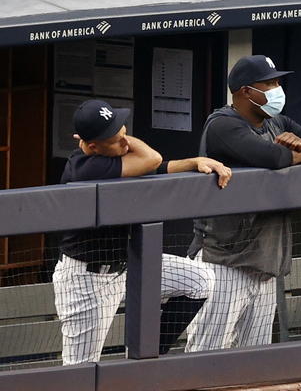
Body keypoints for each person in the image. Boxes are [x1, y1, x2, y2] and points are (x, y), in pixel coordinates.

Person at [52, 99, 232, 365]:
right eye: (117, 139)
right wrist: (123, 137)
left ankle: (147, 357)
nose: (125, 143)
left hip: (127, 268)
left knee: (198, 280)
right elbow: (152, 159)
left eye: (124, 132)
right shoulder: (85, 168)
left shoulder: (107, 158)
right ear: (92, 146)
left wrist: (194, 162)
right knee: (79, 372)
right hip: (87, 280)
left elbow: (156, 168)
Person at [187, 55, 301, 351]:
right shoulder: (222, 125)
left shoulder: (276, 122)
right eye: (269, 83)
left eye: (277, 81)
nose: (277, 88)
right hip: (224, 261)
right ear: (246, 91)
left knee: (254, 358)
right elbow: (276, 157)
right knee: (207, 355)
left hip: (264, 262)